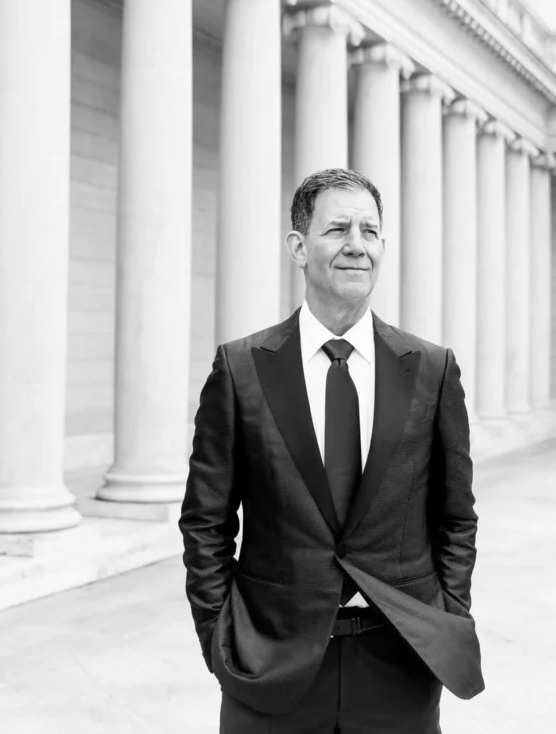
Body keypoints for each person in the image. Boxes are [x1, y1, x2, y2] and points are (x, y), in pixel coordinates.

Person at [179, 168, 484, 733]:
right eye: (338, 228)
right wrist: (220, 641)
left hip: (402, 665)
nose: (357, 245)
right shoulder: (241, 368)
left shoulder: (432, 369)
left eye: (370, 231)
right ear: (298, 246)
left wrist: (446, 618)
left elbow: (455, 516)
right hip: (270, 666)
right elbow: (205, 522)